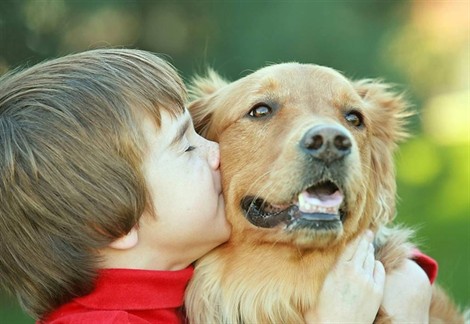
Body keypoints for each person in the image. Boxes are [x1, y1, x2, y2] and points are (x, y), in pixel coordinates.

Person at [0, 48, 434, 323]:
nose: (214, 153)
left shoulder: (173, 287)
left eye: (352, 121)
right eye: (187, 147)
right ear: (113, 221)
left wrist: (406, 274)